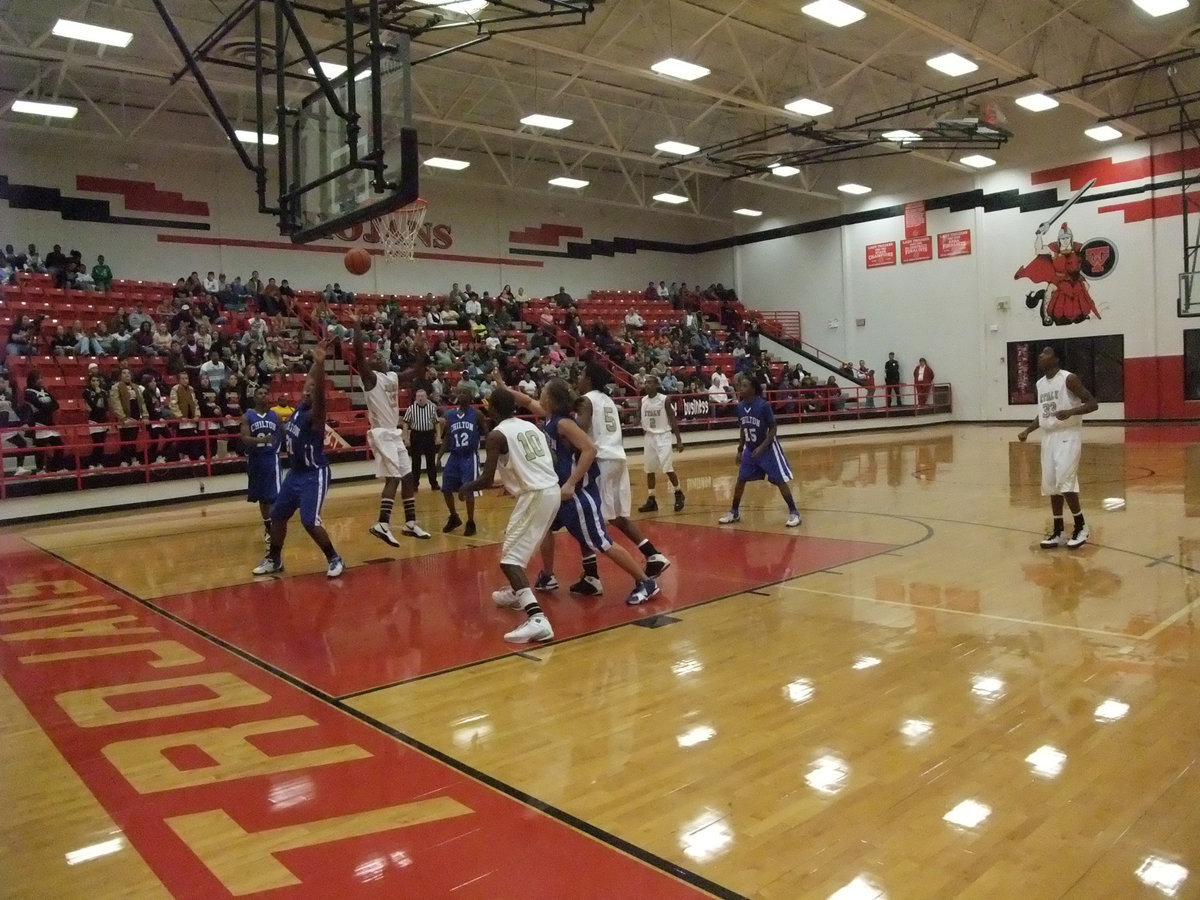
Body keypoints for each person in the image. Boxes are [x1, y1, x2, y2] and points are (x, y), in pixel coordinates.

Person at [512, 377, 660, 605]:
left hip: (579, 495)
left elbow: (590, 449)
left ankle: (645, 582)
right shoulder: (550, 417)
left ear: (550, 399)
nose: (539, 394)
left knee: (602, 543)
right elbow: (528, 402)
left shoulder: (564, 424)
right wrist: (502, 388)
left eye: (543, 391)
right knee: (545, 528)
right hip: (561, 494)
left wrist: (571, 483)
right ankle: (548, 577)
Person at [458, 388, 560, 643]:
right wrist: (518, 477)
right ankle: (519, 591)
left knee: (509, 561)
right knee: (518, 550)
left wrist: (465, 488)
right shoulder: (530, 426)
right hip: (551, 489)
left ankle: (537, 619)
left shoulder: (496, 435)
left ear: (492, 410)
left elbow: (485, 479)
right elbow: (553, 457)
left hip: (534, 495)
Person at [253, 343, 345, 578]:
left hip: (314, 474)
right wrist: (316, 362)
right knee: (277, 516)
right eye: (306, 388)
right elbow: (311, 381)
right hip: (295, 473)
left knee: (309, 521)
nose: (306, 392)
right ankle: (274, 558)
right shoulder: (298, 408)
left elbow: (320, 394)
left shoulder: (315, 415)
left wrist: (322, 366)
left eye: (311, 391)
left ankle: (334, 558)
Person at [576, 363, 670, 583]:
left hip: (600, 460)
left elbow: (578, 429)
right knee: (619, 517)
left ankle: (591, 577)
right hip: (618, 457)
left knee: (585, 515)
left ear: (588, 379)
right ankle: (654, 555)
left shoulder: (586, 399)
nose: (579, 378)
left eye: (581, 375)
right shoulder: (607, 399)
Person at [352, 315, 431, 546]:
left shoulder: (392, 377)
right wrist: (357, 324)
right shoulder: (369, 379)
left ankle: (410, 523)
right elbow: (358, 353)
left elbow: (417, 371)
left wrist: (420, 350)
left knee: (408, 477)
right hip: (381, 433)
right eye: (374, 356)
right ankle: (382, 524)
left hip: (394, 433)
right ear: (370, 366)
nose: (378, 356)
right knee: (394, 477)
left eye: (379, 354)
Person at [1017, 346, 1099, 549]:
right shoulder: (1040, 384)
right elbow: (1043, 413)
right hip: (1049, 437)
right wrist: (1028, 430)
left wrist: (1071, 412)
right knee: (1051, 485)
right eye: (1041, 353)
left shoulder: (1068, 379)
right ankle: (1058, 530)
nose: (1040, 356)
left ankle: (1081, 526)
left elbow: (1093, 403)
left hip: (1067, 435)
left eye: (1046, 353)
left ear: (1056, 359)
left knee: (1065, 480)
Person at [718, 375, 802, 528]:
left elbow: (773, 428)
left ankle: (794, 512)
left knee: (779, 480)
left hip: (768, 448)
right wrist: (739, 449)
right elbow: (743, 428)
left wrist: (762, 447)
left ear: (753, 389)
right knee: (740, 480)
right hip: (750, 449)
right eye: (740, 386)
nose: (740, 389)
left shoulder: (763, 405)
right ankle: (734, 511)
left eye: (744, 386)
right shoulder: (741, 406)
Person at [439, 386, 486, 536]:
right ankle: (453, 517)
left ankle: (471, 522)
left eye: (465, 393)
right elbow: (447, 438)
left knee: (468, 489)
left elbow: (487, 433)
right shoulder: (451, 415)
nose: (462, 395)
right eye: (460, 393)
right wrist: (439, 456)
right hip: (454, 456)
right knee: (446, 488)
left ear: (470, 397)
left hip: (469, 456)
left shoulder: (477, 414)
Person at [241, 385, 283, 547]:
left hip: (272, 459)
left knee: (274, 497)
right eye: (260, 393)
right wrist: (261, 441)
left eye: (266, 393)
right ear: (254, 397)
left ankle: (274, 528)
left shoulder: (275, 416)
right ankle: (268, 527)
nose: (263, 396)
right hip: (256, 461)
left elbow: (284, 434)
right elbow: (244, 438)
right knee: (263, 499)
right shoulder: (247, 416)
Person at [637, 375, 685, 513]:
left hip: (663, 436)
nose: (647, 385)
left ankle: (678, 493)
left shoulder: (664, 399)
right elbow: (638, 418)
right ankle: (651, 499)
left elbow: (672, 419)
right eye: (646, 383)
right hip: (649, 437)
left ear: (657, 385)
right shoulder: (642, 401)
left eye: (650, 383)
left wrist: (679, 440)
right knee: (649, 470)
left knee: (667, 468)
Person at [403, 388, 440, 491]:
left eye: (422, 396)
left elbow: (436, 423)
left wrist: (438, 436)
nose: (420, 398)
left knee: (431, 461)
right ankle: (414, 484)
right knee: (415, 461)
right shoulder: (411, 409)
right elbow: (406, 423)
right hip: (416, 435)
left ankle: (434, 483)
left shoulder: (431, 408)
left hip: (428, 434)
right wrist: (405, 438)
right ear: (416, 398)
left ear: (426, 397)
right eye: (418, 396)